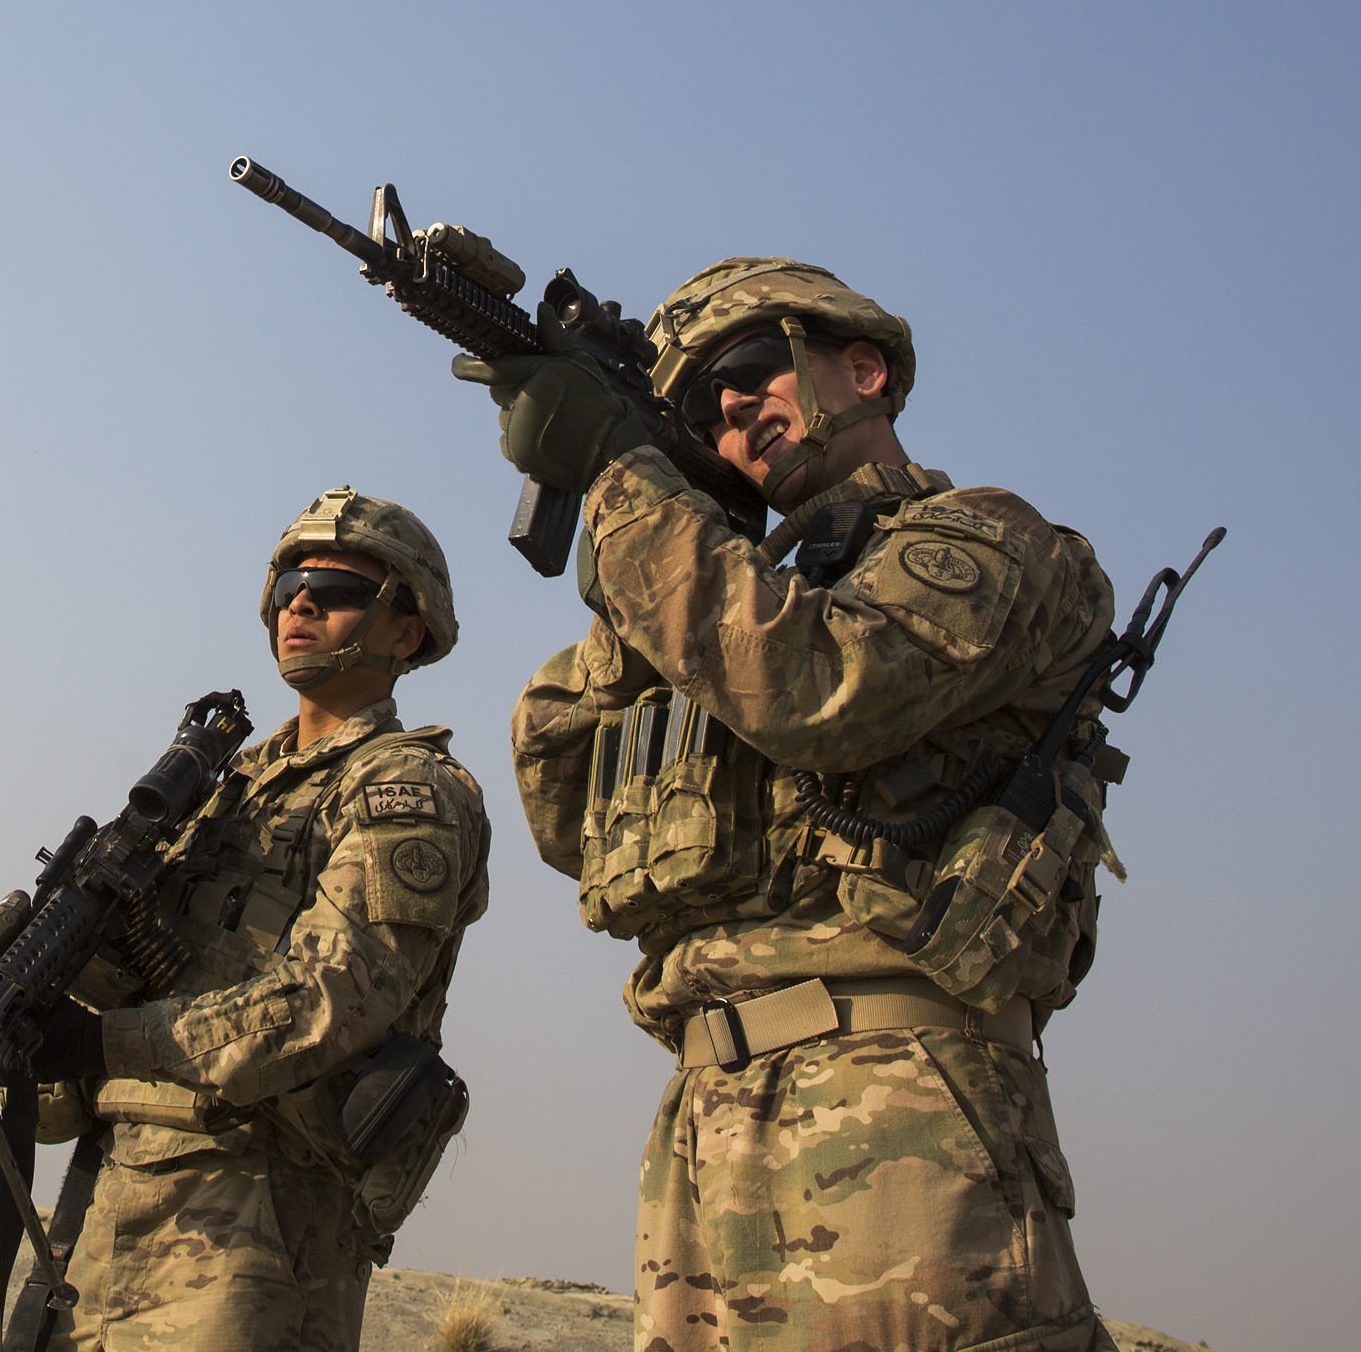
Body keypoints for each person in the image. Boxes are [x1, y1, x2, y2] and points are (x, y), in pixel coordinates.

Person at [457, 259, 1124, 1351]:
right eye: (688, 408)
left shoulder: (984, 539)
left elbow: (822, 691)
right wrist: (660, 536)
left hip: (896, 1096)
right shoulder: (726, 587)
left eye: (750, 367)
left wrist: (627, 485)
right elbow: (563, 803)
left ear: (861, 370)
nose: (724, 408)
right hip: (704, 1115)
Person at [29, 486, 491, 1352]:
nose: (302, 603)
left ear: (406, 630)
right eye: (287, 589)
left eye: (336, 588)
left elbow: (328, 1002)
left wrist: (103, 1042)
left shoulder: (408, 788)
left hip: (265, 1214)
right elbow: (135, 982)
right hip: (113, 1199)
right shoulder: (224, 785)